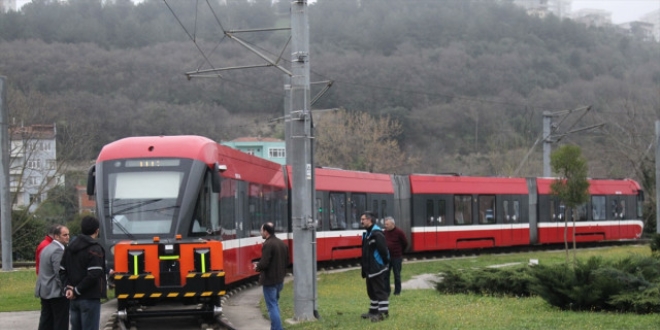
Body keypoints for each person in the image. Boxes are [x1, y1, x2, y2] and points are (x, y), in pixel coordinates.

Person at [60, 216, 107, 330]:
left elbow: (62, 270)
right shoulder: (94, 249)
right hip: (89, 298)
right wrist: (77, 290)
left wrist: (68, 288)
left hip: (73, 299)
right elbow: (94, 274)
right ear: (97, 230)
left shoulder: (70, 247)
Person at [35, 225, 70, 330]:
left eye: (68, 234)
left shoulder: (46, 248)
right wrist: (65, 288)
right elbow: (58, 273)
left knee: (46, 321)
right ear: (57, 236)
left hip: (45, 290)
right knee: (60, 321)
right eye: (65, 235)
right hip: (55, 292)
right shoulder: (58, 250)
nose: (68, 237)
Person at [254, 222, 288, 330]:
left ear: (266, 231)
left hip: (270, 281)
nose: (261, 232)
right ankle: (275, 328)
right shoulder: (282, 244)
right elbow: (287, 261)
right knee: (275, 304)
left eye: (261, 230)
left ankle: (277, 329)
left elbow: (264, 263)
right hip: (280, 280)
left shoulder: (268, 244)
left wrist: (257, 267)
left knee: (272, 306)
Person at [360, 211, 390, 322]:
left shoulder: (377, 234)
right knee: (371, 291)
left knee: (380, 291)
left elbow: (383, 250)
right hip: (370, 269)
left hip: (377, 268)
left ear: (370, 220)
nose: (361, 221)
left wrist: (384, 264)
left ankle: (383, 314)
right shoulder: (368, 233)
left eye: (363, 219)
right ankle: (373, 312)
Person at [383, 216, 408, 296]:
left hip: (396, 257)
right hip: (387, 257)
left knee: (397, 275)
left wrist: (400, 252)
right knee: (386, 275)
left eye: (387, 224)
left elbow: (405, 243)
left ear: (392, 224)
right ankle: (387, 291)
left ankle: (397, 292)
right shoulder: (385, 232)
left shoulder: (399, 232)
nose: (385, 226)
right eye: (385, 224)